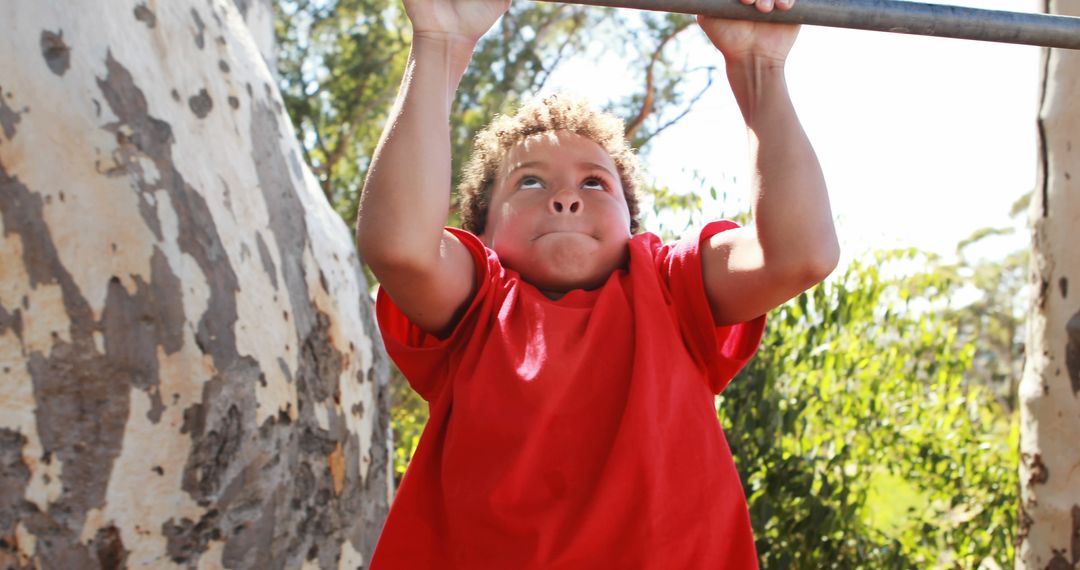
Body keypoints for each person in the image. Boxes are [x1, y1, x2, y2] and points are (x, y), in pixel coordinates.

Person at [356, 0, 838, 566]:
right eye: (530, 183)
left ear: (631, 226)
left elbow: (800, 255)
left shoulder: (667, 286)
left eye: (595, 182)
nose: (565, 196)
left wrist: (759, 66)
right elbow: (400, 248)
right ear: (481, 232)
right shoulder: (478, 302)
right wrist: (440, 40)